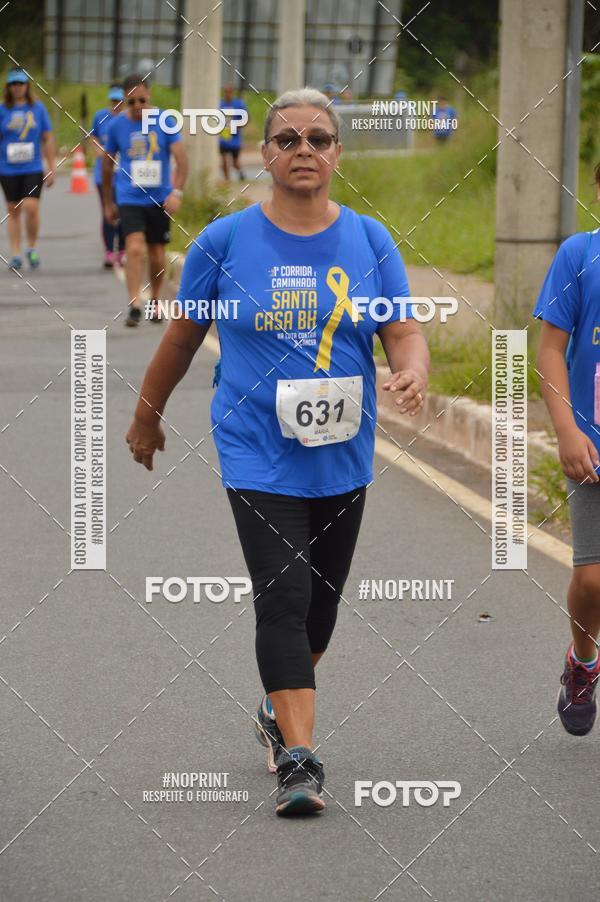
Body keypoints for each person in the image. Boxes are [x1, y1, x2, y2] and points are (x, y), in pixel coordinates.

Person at [125, 88, 430, 815]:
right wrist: (147, 417)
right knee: (284, 595)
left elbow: (403, 330)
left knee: (318, 614)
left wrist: (413, 367)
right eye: (288, 139)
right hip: (256, 448)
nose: (304, 151)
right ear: (263, 153)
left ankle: (275, 705)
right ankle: (300, 759)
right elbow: (181, 337)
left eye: (319, 139)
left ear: (337, 154)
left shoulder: (369, 238)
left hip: (343, 453)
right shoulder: (225, 242)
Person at [534, 163, 600, 736]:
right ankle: (583, 658)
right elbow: (550, 349)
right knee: (594, 579)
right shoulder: (579, 255)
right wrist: (566, 429)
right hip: (594, 448)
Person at [102, 74, 188, 327]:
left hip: (159, 198)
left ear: (149, 96)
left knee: (158, 254)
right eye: (131, 102)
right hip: (129, 196)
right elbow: (107, 166)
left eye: (142, 100)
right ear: (124, 101)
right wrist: (108, 202)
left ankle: (154, 300)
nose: (137, 106)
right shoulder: (117, 126)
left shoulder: (165, 121)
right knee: (135, 247)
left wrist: (177, 193)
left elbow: (183, 162)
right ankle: (134, 304)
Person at [0, 68, 55, 270]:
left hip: (32, 167)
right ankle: (15, 253)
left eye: (21, 84)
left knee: (31, 207)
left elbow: (47, 138)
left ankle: (31, 247)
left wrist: (51, 166)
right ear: (9, 87)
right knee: (13, 210)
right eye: (13, 84)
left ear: (27, 86)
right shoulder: (2, 109)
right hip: (7, 168)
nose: (17, 88)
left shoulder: (38, 108)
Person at [89, 83, 125, 268]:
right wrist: (100, 151)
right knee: (108, 211)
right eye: (113, 100)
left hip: (125, 176)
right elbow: (93, 137)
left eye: (119, 100)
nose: (116, 104)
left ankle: (123, 249)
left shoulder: (130, 120)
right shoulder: (101, 117)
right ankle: (110, 251)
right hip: (104, 174)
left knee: (125, 211)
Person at [218, 82, 248, 182]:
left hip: (235, 138)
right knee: (224, 160)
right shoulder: (220, 104)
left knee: (235, 163)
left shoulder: (238, 104)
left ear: (232, 92)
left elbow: (246, 119)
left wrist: (236, 126)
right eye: (226, 92)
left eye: (229, 92)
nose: (227, 94)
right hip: (224, 136)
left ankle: (241, 172)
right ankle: (227, 180)